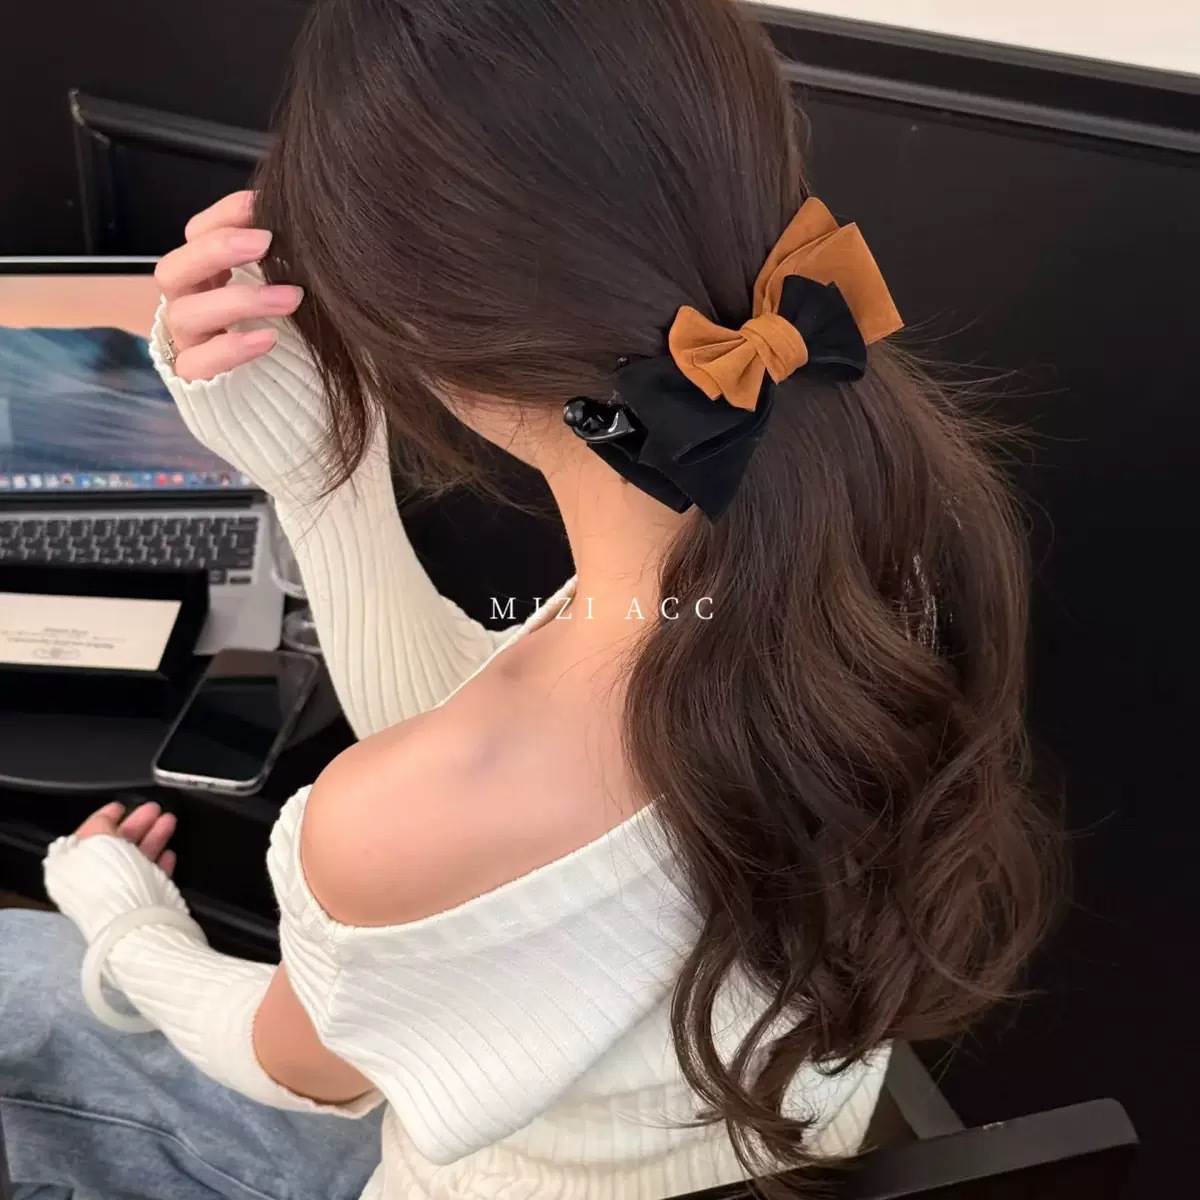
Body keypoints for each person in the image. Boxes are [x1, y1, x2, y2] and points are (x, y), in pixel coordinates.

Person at [0, 1, 1058, 1197]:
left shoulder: (448, 796)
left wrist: (123, 918)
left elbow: (294, 1066)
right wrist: (322, 479)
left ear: (405, 324)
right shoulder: (882, 548)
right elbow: (474, 768)